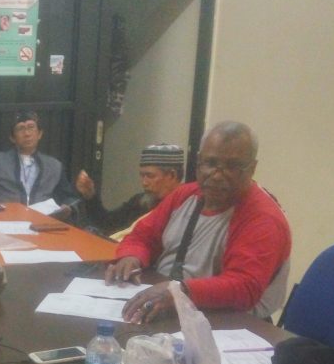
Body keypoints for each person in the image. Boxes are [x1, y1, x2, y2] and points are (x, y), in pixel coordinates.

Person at [106, 121, 291, 323]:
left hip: (228, 322)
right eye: (210, 163)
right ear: (198, 161)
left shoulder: (263, 218)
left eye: (232, 166)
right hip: (166, 303)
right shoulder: (185, 195)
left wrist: (179, 291)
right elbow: (142, 236)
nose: (217, 175)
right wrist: (131, 257)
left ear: (252, 168)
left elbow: (243, 287)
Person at [0, 110, 81, 220]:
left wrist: (68, 207)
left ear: (40, 134)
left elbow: (70, 198)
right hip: (5, 222)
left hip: (42, 223)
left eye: (31, 127)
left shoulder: (54, 166)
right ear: (12, 137)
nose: (27, 134)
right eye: (20, 129)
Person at [75, 143, 185, 240]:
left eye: (150, 176)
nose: (144, 182)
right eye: (142, 175)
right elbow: (108, 224)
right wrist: (90, 196)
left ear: (172, 175)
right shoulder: (141, 201)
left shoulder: (184, 208)